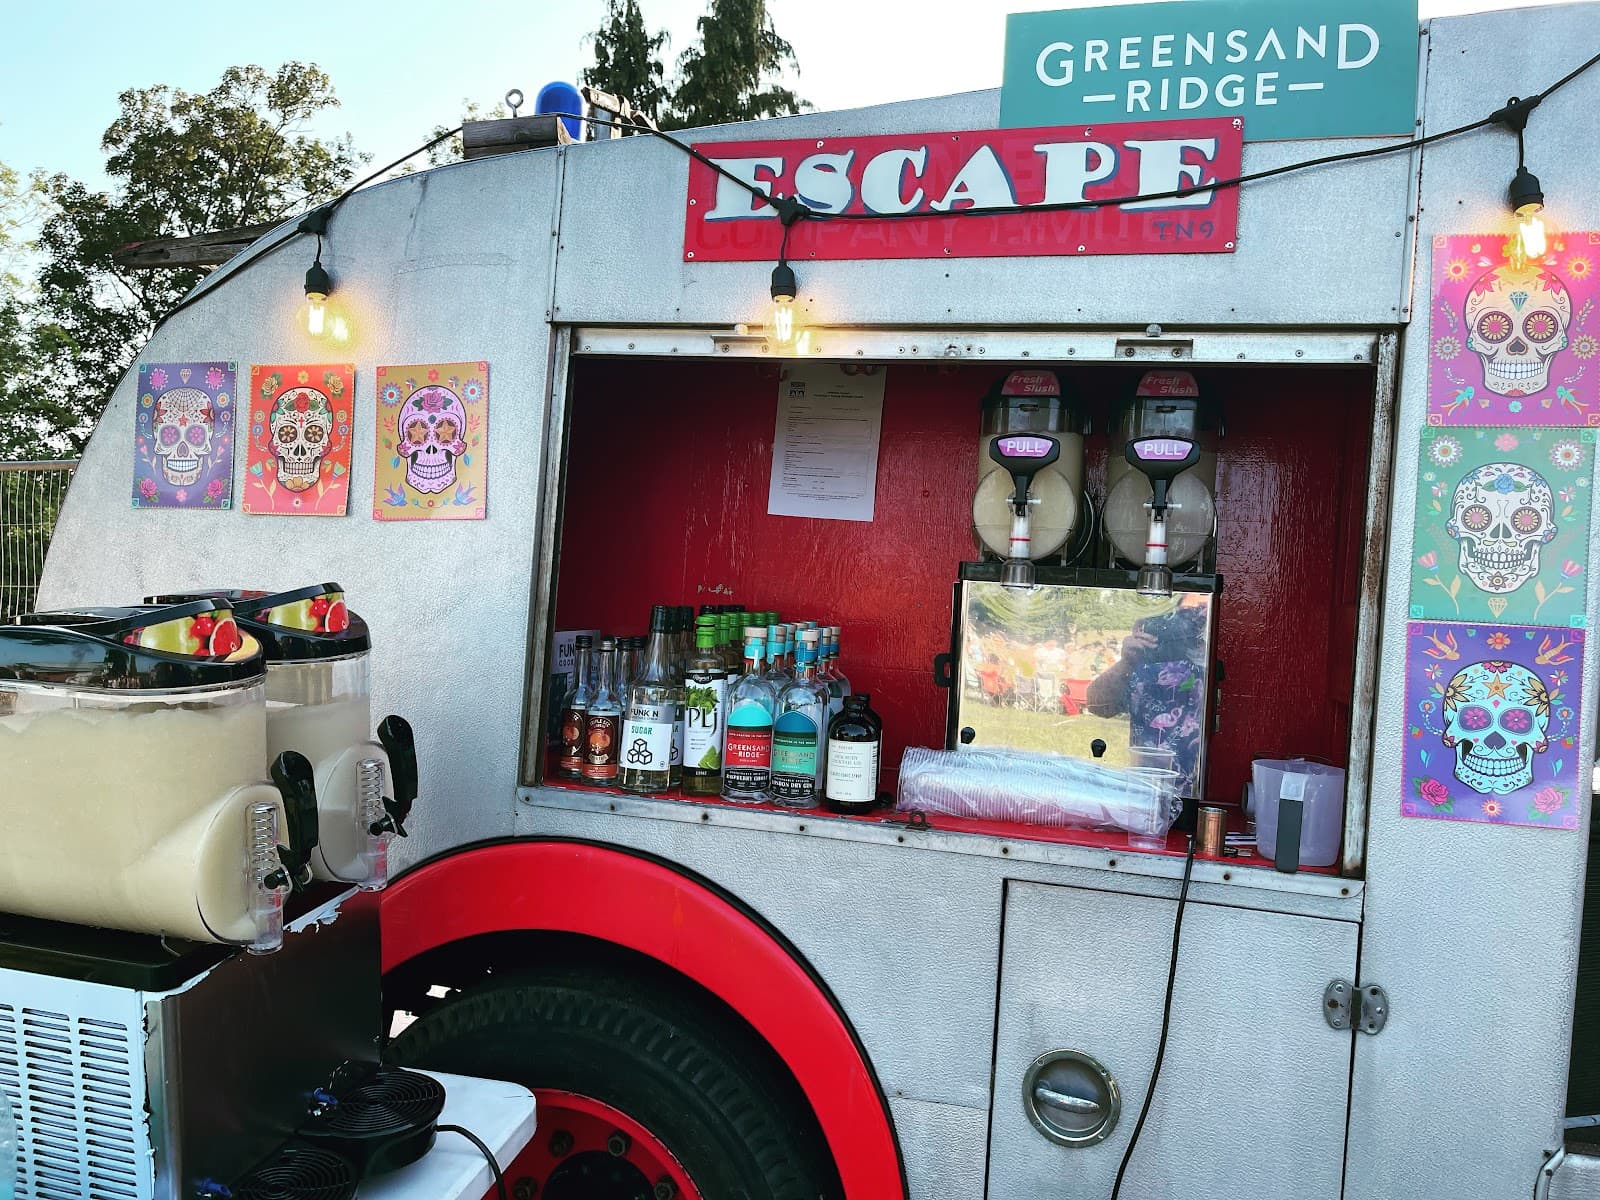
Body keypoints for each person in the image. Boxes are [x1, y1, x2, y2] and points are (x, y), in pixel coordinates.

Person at [1085, 593, 1211, 793]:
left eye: (1202, 611)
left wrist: (1206, 652)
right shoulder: (1145, 665)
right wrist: (1127, 663)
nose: (1196, 618)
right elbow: (1097, 705)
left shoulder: (1212, 662)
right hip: (1146, 788)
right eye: (1186, 614)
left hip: (1201, 790)